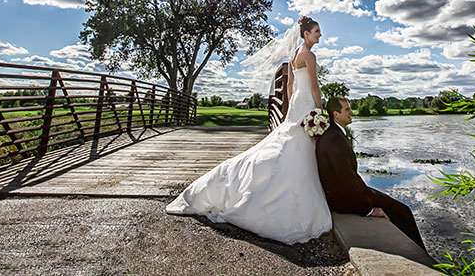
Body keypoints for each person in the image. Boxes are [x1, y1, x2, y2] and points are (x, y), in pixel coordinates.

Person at [166, 16, 332, 244]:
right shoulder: (309, 55)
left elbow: (291, 86)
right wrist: (320, 112)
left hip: (296, 105)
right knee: (297, 150)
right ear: (306, 34)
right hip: (306, 106)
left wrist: (292, 108)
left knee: (289, 147)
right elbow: (314, 85)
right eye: (316, 31)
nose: (319, 35)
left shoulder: (293, 55)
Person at [316, 96, 427, 251]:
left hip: (348, 194)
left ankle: (415, 250)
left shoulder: (334, 134)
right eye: (347, 109)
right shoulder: (335, 139)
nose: (351, 112)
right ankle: (420, 254)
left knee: (400, 210)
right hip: (345, 201)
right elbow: (345, 179)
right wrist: (367, 209)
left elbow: (346, 176)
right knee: (403, 211)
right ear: (336, 114)